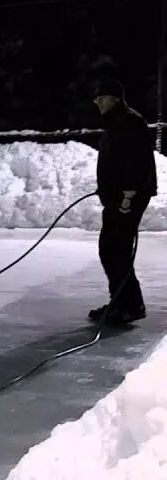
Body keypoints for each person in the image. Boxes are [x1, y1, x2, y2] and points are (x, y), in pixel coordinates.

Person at [90, 79, 155, 325]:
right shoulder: (115, 122)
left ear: (114, 99)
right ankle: (119, 302)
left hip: (129, 198)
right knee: (110, 249)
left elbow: (137, 162)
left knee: (117, 249)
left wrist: (128, 195)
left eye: (101, 97)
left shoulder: (130, 121)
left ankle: (132, 305)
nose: (97, 102)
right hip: (117, 198)